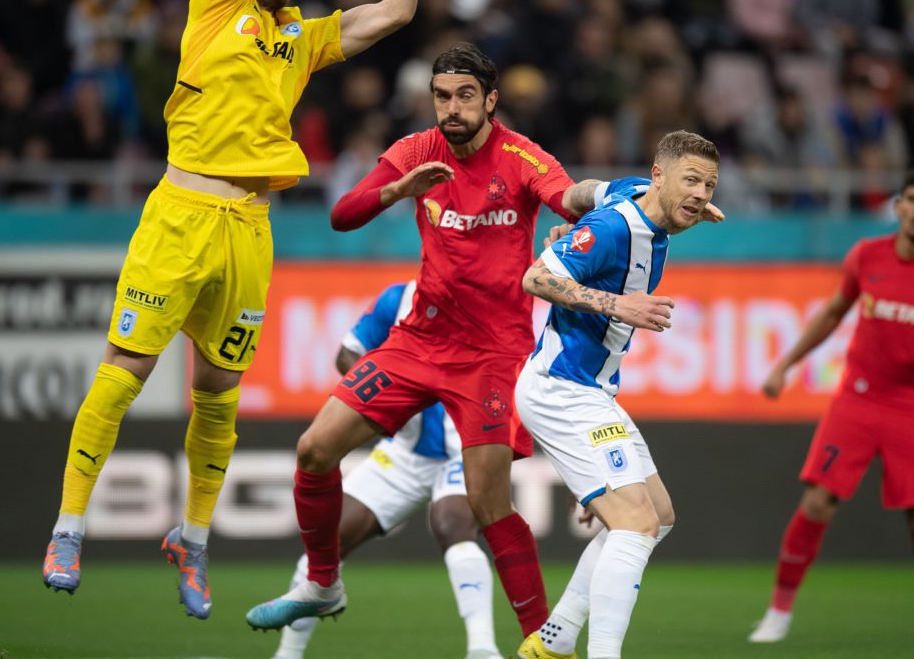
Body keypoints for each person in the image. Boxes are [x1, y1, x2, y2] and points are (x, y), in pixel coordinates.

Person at [41, 0, 451, 619]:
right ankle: (69, 527)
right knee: (123, 372)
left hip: (250, 227)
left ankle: (192, 541)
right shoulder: (213, 4)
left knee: (220, 393)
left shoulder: (297, 34)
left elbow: (392, 14)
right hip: (181, 216)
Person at [245, 42, 607, 648]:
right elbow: (342, 214)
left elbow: (565, 197)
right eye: (442, 96)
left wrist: (608, 196)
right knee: (313, 450)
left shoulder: (520, 156)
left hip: (492, 356)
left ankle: (543, 644)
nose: (452, 108)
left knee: (488, 507)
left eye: (466, 95)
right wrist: (397, 189)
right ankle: (324, 584)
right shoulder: (418, 152)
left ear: (491, 100)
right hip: (420, 342)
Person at [748, 169, 914, 643]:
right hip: (858, 399)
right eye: (913, 199)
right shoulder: (867, 256)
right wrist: (785, 365)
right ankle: (778, 612)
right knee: (816, 502)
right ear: (899, 207)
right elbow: (832, 313)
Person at [515, 132, 722, 659]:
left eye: (709, 185)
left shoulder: (632, 193)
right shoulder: (613, 228)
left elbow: (588, 189)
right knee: (635, 525)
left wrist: (572, 215)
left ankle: (555, 638)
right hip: (562, 389)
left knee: (659, 517)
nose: (699, 194)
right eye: (690, 180)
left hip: (593, 393)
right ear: (658, 174)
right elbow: (536, 278)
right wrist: (615, 303)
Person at [273, 280, 504, 659]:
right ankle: (287, 654)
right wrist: (392, 404)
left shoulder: (492, 298)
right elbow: (347, 355)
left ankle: (483, 649)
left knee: (452, 523)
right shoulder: (399, 298)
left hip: (466, 449)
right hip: (404, 450)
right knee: (332, 536)